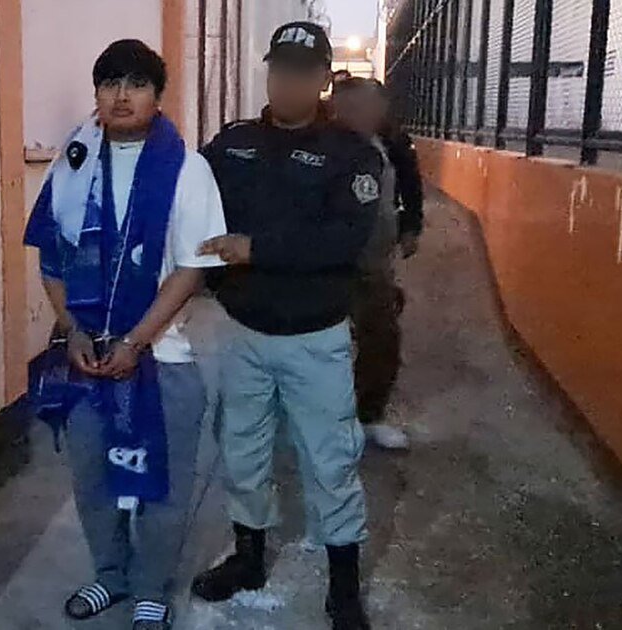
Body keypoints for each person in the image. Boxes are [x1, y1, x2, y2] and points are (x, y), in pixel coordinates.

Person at [23, 39, 227, 630]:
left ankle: (151, 587)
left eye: (137, 83)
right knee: (92, 479)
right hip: (87, 356)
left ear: (158, 96)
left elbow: (191, 269)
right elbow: (52, 258)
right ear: (97, 93)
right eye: (110, 82)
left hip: (164, 355)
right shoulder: (74, 162)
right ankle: (110, 575)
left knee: (162, 482)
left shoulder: (187, 168)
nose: (121, 95)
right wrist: (72, 330)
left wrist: (135, 341)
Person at [189, 22, 380, 630]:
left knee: (331, 461)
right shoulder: (233, 144)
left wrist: (255, 249)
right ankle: (248, 558)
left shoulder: (351, 155)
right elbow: (191, 201)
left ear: (323, 79)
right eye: (279, 70)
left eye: (302, 72)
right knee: (242, 451)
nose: (288, 82)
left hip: (314, 339)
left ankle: (343, 587)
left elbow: (344, 240)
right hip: (243, 331)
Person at [332, 78, 425, 451]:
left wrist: (411, 226)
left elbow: (410, 181)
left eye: (371, 107)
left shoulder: (387, 142)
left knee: (381, 341)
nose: (367, 114)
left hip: (373, 264)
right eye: (354, 107)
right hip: (331, 265)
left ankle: (368, 416)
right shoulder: (320, 145)